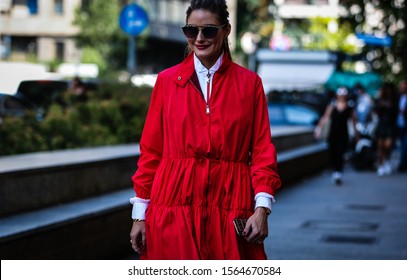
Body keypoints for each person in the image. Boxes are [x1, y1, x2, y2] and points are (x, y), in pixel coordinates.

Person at [129, 0, 281, 260]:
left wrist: (262, 209)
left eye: (208, 30)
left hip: (231, 205)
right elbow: (151, 151)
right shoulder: (167, 82)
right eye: (191, 31)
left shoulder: (249, 84)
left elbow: (262, 150)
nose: (199, 38)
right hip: (173, 204)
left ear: (226, 31)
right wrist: (139, 214)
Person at [315, 87, 358, 185]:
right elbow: (326, 117)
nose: (342, 96)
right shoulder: (332, 104)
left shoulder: (349, 106)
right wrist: (319, 128)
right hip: (333, 132)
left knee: (341, 151)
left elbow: (353, 120)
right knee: (333, 151)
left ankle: (338, 171)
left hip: (343, 133)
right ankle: (335, 170)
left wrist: (356, 133)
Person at [375, 82, 398, 176]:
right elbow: (376, 111)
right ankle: (381, 165)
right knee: (380, 145)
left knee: (388, 145)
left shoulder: (394, 100)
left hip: (390, 125)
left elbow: (396, 112)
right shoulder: (380, 100)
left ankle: (387, 160)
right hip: (382, 124)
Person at [397, 80, 407, 172]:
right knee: (402, 145)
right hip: (399, 124)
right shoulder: (398, 97)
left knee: (405, 144)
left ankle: (403, 163)